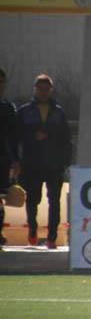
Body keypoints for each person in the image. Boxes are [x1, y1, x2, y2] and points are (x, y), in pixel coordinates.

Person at [17, 74, 72, 249]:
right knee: (33, 200)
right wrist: (33, 136)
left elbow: (66, 138)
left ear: (51, 90)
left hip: (54, 164)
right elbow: (17, 135)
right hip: (32, 163)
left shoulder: (58, 112)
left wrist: (65, 162)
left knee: (54, 201)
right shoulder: (25, 111)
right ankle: (32, 230)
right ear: (34, 89)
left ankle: (52, 238)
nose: (43, 92)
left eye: (46, 89)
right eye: (40, 89)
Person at [0, 68, 20, 247]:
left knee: (1, 197)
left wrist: (15, 160)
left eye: (1, 82)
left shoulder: (8, 108)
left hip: (3, 160)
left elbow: (13, 137)